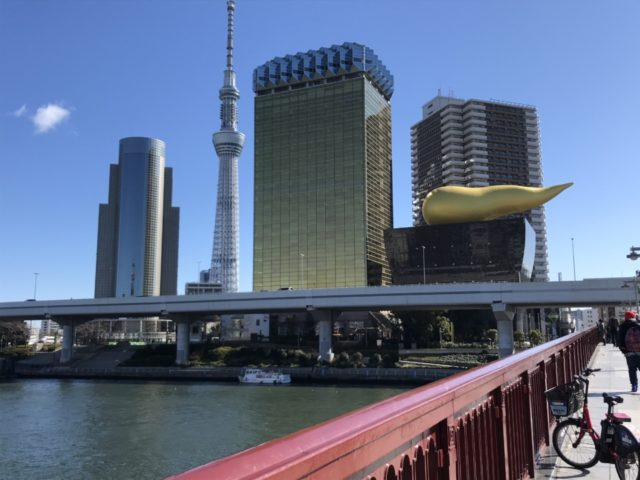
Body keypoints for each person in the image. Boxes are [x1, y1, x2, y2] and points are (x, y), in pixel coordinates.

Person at [617, 311, 640, 392]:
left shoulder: (622, 326)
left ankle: (634, 386)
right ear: (633, 317)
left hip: (629, 352)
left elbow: (619, 340)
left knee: (632, 370)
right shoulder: (638, 325)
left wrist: (624, 351)